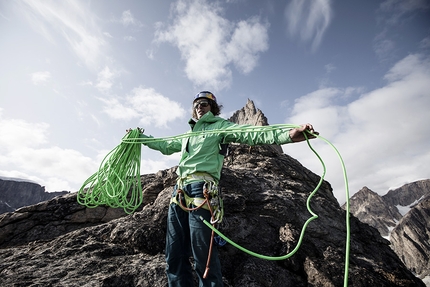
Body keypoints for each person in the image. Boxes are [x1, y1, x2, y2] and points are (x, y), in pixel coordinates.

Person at [136, 91, 318, 287]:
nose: (199, 106)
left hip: (202, 190)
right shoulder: (188, 133)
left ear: (212, 108)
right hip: (178, 191)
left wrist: (289, 135)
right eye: (196, 104)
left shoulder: (220, 127)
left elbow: (251, 133)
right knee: (174, 252)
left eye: (204, 103)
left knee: (203, 253)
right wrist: (141, 138)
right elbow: (165, 145)